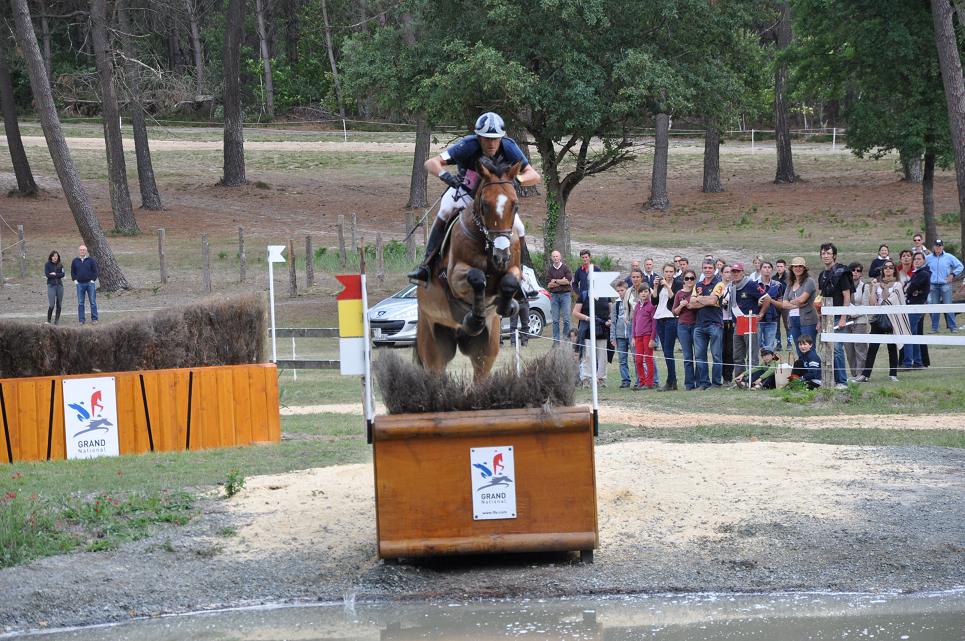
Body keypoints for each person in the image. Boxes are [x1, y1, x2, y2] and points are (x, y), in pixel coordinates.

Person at [407, 111, 541, 283]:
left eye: (495, 138)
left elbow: (534, 175)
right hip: (464, 193)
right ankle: (426, 265)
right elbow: (430, 163)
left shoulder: (509, 146)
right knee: (446, 210)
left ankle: (520, 273)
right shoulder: (468, 145)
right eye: (487, 138)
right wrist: (445, 175)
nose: (492, 143)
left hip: (493, 201)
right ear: (478, 137)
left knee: (520, 228)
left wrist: (516, 179)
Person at [861, 261, 907, 382]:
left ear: (894, 270)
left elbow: (892, 300)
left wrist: (882, 300)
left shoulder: (897, 285)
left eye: (890, 267)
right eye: (885, 267)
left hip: (892, 319)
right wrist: (873, 288)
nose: (887, 269)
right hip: (878, 319)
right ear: (882, 270)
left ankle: (893, 374)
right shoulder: (877, 285)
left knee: (892, 347)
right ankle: (865, 374)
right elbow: (872, 303)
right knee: (872, 347)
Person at [817, 242, 853, 389]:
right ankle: (830, 379)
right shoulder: (822, 275)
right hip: (826, 316)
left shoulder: (841, 273)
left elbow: (847, 296)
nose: (826, 256)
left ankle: (842, 381)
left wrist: (844, 317)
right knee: (827, 348)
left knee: (837, 348)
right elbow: (820, 298)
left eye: (828, 253)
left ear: (834, 255)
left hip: (838, 315)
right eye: (823, 253)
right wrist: (819, 318)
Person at [726, 262, 769, 379]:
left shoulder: (750, 284)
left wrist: (761, 314)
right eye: (733, 272)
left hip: (749, 322)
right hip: (738, 322)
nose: (735, 274)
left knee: (752, 355)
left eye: (737, 272)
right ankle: (740, 379)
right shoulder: (732, 287)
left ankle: (752, 379)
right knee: (737, 355)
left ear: (742, 272)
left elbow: (766, 298)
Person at [688, 259, 725, 390]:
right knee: (699, 356)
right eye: (705, 267)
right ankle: (704, 383)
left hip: (714, 324)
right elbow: (691, 304)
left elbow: (713, 300)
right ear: (702, 269)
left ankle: (716, 383)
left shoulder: (719, 283)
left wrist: (699, 299)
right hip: (699, 325)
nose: (707, 270)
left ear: (714, 269)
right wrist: (704, 299)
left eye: (710, 267)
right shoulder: (697, 284)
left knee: (716, 355)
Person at [773, 256, 818, 359]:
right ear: (791, 269)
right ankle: (803, 373)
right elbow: (784, 304)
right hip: (793, 320)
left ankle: (812, 373)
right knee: (799, 350)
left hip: (807, 320)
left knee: (809, 349)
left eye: (800, 266)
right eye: (795, 266)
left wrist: (790, 302)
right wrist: (794, 304)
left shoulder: (809, 281)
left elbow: (802, 299)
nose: (797, 268)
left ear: (804, 268)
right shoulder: (790, 284)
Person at [572, 284, 610, 387]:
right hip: (588, 330)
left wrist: (610, 320)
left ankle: (601, 379)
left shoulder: (606, 295)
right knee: (588, 355)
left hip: (603, 330)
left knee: (603, 356)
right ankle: (586, 379)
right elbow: (575, 312)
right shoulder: (584, 295)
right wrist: (587, 318)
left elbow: (610, 311)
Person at [652, 262, 680, 391]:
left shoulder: (677, 284)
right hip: (660, 318)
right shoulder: (660, 284)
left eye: (670, 272)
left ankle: (671, 381)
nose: (668, 274)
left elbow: (673, 299)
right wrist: (656, 286)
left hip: (671, 318)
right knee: (665, 351)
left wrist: (667, 286)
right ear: (663, 272)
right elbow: (654, 301)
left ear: (674, 272)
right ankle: (671, 380)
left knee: (669, 351)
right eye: (666, 272)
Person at [925, 239, 963, 332]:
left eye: (940, 246)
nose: (938, 247)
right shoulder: (928, 258)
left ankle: (953, 327)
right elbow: (922, 268)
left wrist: (952, 274)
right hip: (933, 285)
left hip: (945, 285)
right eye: (936, 246)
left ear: (942, 247)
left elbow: (960, 266)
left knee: (948, 306)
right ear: (933, 247)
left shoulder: (949, 257)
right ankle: (934, 328)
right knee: (934, 307)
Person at [902, 252, 931, 369]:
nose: (916, 261)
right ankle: (918, 362)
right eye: (915, 259)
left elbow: (911, 288)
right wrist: (909, 287)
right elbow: (909, 287)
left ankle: (908, 363)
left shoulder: (923, 273)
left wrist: (909, 287)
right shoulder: (917, 273)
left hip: (916, 306)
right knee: (913, 334)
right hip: (912, 305)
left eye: (919, 259)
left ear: (924, 261)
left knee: (908, 333)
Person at [673, 269, 698, 390]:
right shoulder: (679, 293)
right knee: (687, 356)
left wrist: (691, 304)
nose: (689, 280)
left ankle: (700, 382)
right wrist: (681, 305)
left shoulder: (698, 291)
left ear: (695, 280)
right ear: (683, 280)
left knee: (699, 355)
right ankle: (689, 384)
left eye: (691, 278)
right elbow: (674, 312)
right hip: (683, 326)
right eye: (687, 278)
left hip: (697, 325)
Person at [845, 262, 870, 381]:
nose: (855, 272)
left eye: (858, 270)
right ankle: (854, 374)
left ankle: (861, 374)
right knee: (849, 349)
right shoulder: (844, 286)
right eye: (853, 270)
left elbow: (865, 306)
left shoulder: (865, 286)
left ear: (861, 273)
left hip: (860, 320)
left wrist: (852, 314)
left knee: (860, 348)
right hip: (845, 321)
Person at [630, 281, 656, 389]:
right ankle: (642, 382)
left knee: (648, 359)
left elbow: (654, 323)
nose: (644, 294)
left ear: (649, 293)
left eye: (646, 291)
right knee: (638, 360)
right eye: (641, 292)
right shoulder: (637, 306)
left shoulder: (651, 306)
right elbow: (634, 322)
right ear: (638, 293)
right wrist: (633, 337)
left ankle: (649, 383)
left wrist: (652, 338)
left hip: (647, 335)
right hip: (638, 336)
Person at [545, 250, 573, 344]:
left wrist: (555, 281)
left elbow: (568, 281)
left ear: (560, 257)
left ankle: (566, 341)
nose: (555, 258)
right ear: (551, 258)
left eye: (557, 256)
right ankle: (556, 342)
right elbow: (549, 285)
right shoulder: (550, 270)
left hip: (565, 295)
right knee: (555, 320)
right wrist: (561, 281)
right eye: (554, 256)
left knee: (566, 320)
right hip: (554, 296)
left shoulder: (565, 268)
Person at [757, 261, 785, 352]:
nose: (767, 269)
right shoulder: (753, 284)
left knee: (769, 348)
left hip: (772, 320)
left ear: (772, 270)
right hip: (757, 320)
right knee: (755, 347)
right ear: (760, 269)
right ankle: (754, 366)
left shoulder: (777, 285)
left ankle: (771, 365)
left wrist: (769, 300)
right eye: (764, 267)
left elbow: (781, 305)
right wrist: (758, 303)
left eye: (769, 267)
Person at [611, 281, 633, 388]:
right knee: (622, 359)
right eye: (618, 291)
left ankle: (640, 379)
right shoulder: (616, 304)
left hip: (631, 335)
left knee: (636, 358)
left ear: (627, 290)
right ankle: (625, 380)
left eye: (622, 290)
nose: (620, 293)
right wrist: (613, 337)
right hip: (620, 336)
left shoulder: (631, 301)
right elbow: (613, 322)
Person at [71, 244, 99, 325]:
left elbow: (95, 271)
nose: (82, 251)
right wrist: (75, 280)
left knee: (93, 302)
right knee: (80, 303)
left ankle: (94, 319)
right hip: (79, 284)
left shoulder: (91, 260)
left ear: (86, 251)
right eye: (81, 250)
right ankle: (81, 320)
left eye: (83, 250)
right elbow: (72, 271)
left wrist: (92, 280)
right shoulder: (75, 260)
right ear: (79, 251)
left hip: (90, 284)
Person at [719, 264, 735, 383]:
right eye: (726, 272)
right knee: (719, 351)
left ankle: (728, 377)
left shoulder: (735, 287)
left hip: (731, 322)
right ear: (721, 273)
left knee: (730, 351)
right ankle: (718, 376)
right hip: (719, 321)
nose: (729, 274)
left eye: (731, 272)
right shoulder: (717, 287)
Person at [774, 258, 792, 350]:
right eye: (778, 266)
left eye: (781, 266)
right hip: (776, 304)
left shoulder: (789, 278)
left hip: (786, 304)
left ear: (785, 267)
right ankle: (778, 344)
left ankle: (789, 343)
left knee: (787, 324)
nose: (779, 268)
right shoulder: (773, 278)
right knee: (776, 325)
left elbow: (790, 291)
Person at [44, 250, 65, 325]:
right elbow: (48, 275)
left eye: (56, 256)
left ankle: (56, 320)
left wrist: (55, 274)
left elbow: (63, 274)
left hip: (59, 286)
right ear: (51, 257)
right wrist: (56, 274)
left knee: (59, 304)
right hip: (51, 286)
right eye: (54, 256)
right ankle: (48, 320)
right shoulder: (47, 264)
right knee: (52, 304)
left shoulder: (60, 264)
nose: (55, 257)